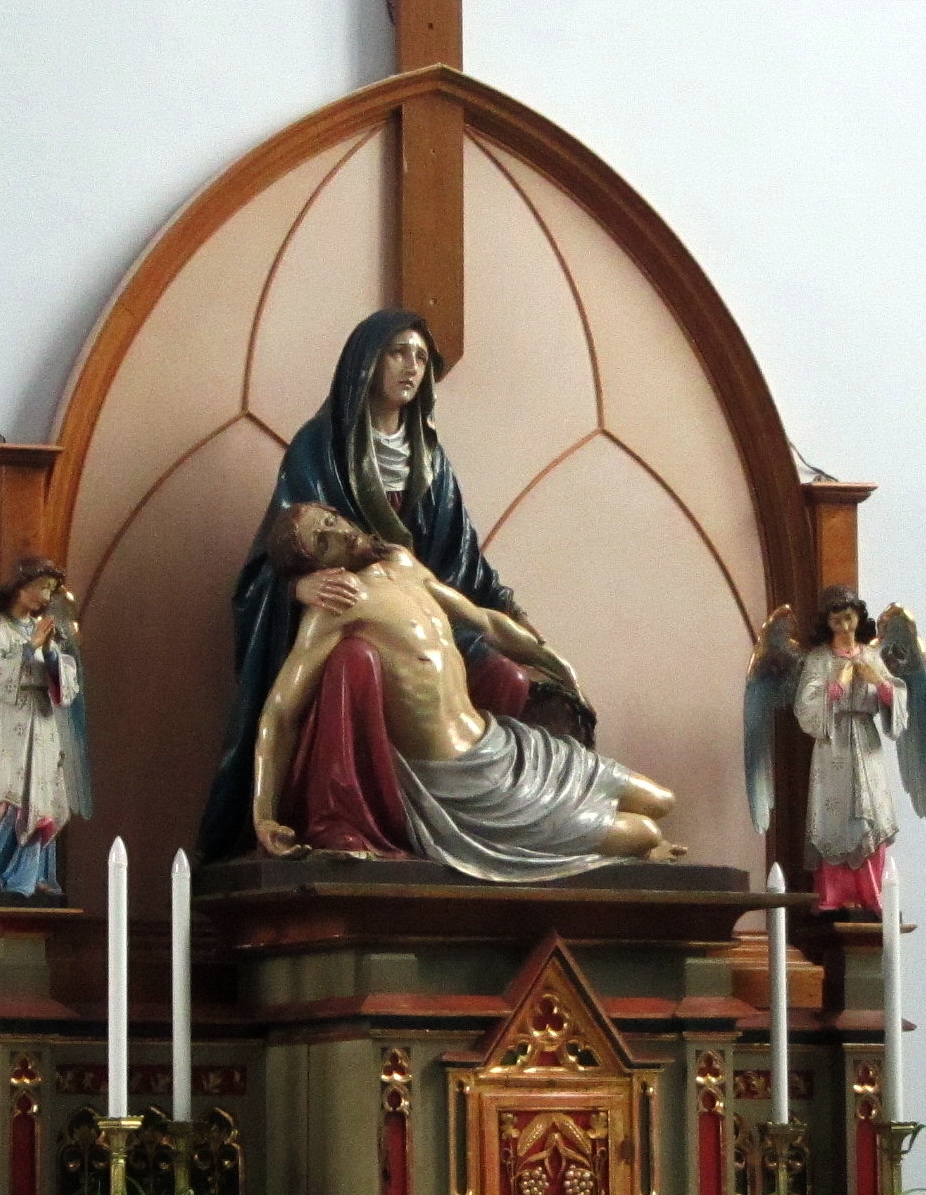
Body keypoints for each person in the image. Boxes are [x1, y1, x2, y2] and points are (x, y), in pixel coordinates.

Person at [199, 310, 532, 862]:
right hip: (349, 616)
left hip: (417, 608)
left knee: (507, 678)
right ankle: (341, 822)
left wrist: (512, 615)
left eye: (421, 358)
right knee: (355, 661)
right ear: (366, 363)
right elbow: (271, 558)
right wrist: (298, 588)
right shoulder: (318, 448)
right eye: (398, 352)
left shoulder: (431, 461)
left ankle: (475, 826)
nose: (411, 367)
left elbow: (462, 560)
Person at [250, 504, 680, 880]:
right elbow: (280, 714)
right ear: (320, 569)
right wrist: (263, 815)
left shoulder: (403, 564)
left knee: (660, 800)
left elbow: (484, 621)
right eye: (323, 543)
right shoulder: (337, 607)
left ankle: (607, 844)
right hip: (466, 785)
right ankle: (615, 849)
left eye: (331, 520)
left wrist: (556, 663)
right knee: (645, 833)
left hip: (503, 745)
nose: (339, 533)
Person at [0, 558, 87, 899]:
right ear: (22, 587)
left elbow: (68, 681)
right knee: (10, 791)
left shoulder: (43, 627)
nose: (48, 596)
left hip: (43, 720)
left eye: (52, 589)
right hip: (10, 720)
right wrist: (30, 648)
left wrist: (50, 655)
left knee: (41, 793)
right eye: (43, 587)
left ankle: (35, 875)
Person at [794, 586, 908, 913]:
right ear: (827, 624)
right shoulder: (820, 659)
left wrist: (880, 683)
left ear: (858, 617)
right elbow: (805, 705)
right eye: (836, 621)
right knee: (834, 817)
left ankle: (871, 895)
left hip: (866, 741)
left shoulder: (871, 656)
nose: (844, 627)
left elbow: (896, 700)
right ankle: (834, 896)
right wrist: (835, 688)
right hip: (833, 745)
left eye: (849, 618)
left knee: (870, 815)